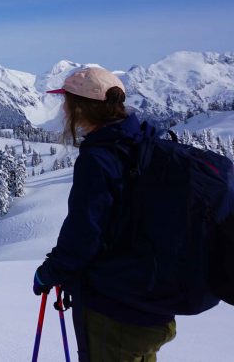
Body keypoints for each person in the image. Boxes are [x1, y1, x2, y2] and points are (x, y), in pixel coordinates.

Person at [33, 66, 176, 362]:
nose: (64, 109)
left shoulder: (99, 158)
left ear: (81, 107)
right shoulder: (143, 145)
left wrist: (50, 272)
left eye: (67, 102)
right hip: (154, 303)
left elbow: (85, 234)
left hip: (113, 312)